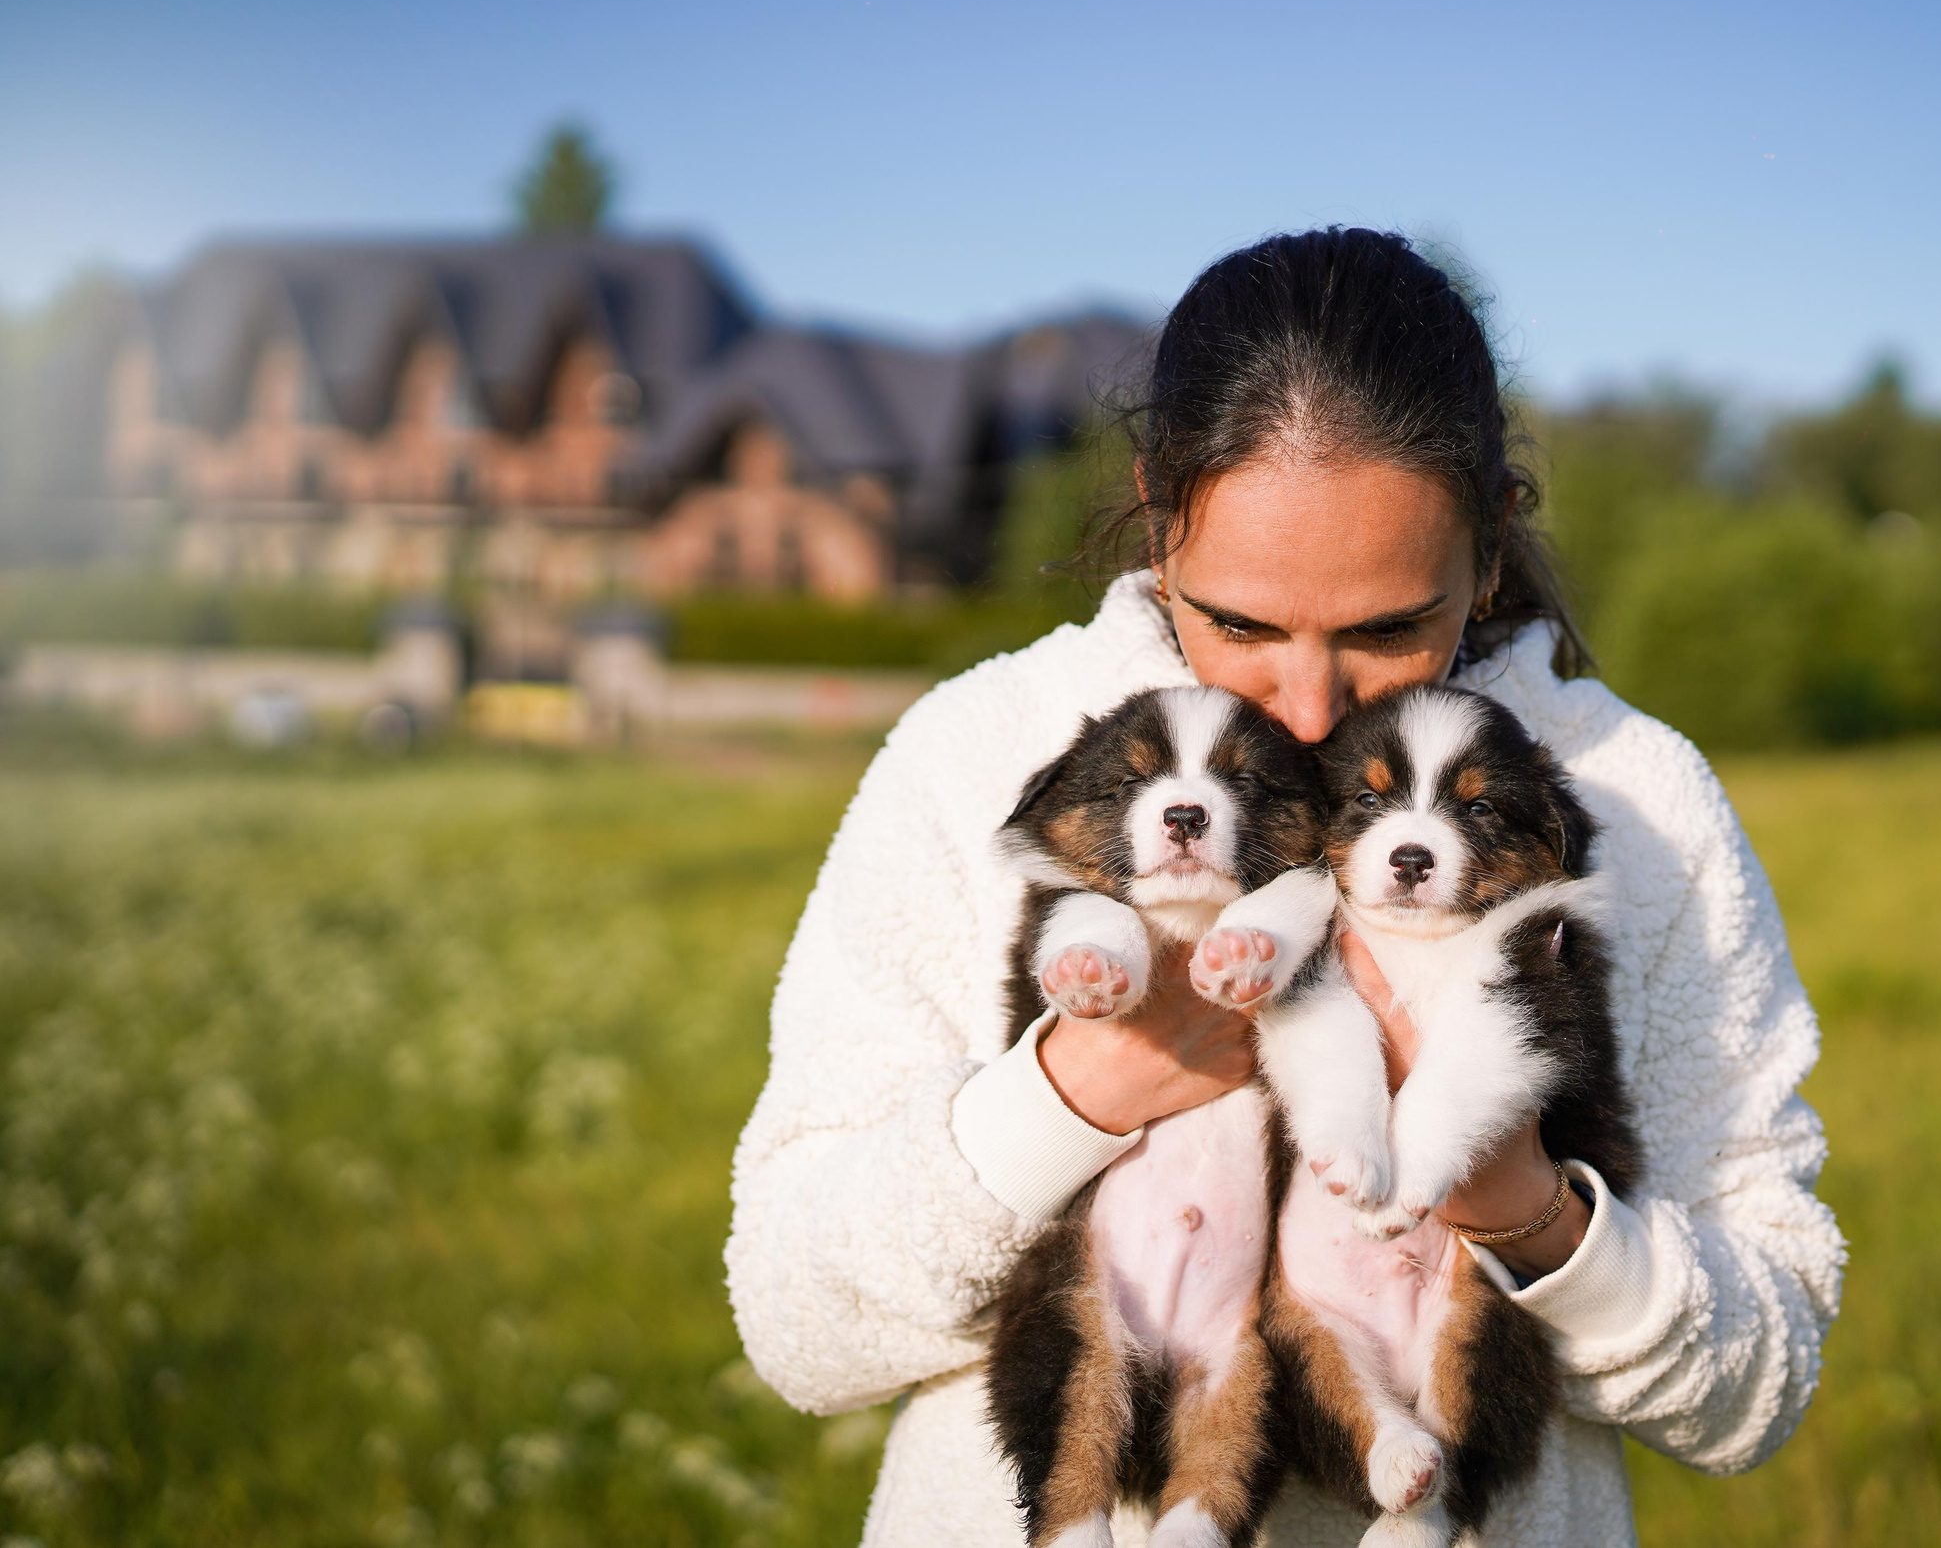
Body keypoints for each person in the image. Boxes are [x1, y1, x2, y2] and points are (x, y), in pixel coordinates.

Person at [727, 228, 1843, 1546]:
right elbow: (797, 1319)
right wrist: (1076, 1096)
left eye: (1387, 630)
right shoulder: (978, 756)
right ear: (1158, 513)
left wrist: (1530, 1216)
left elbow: (1757, 1381)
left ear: (1488, 551)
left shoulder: (1633, 803)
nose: (1310, 705)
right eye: (1242, 626)